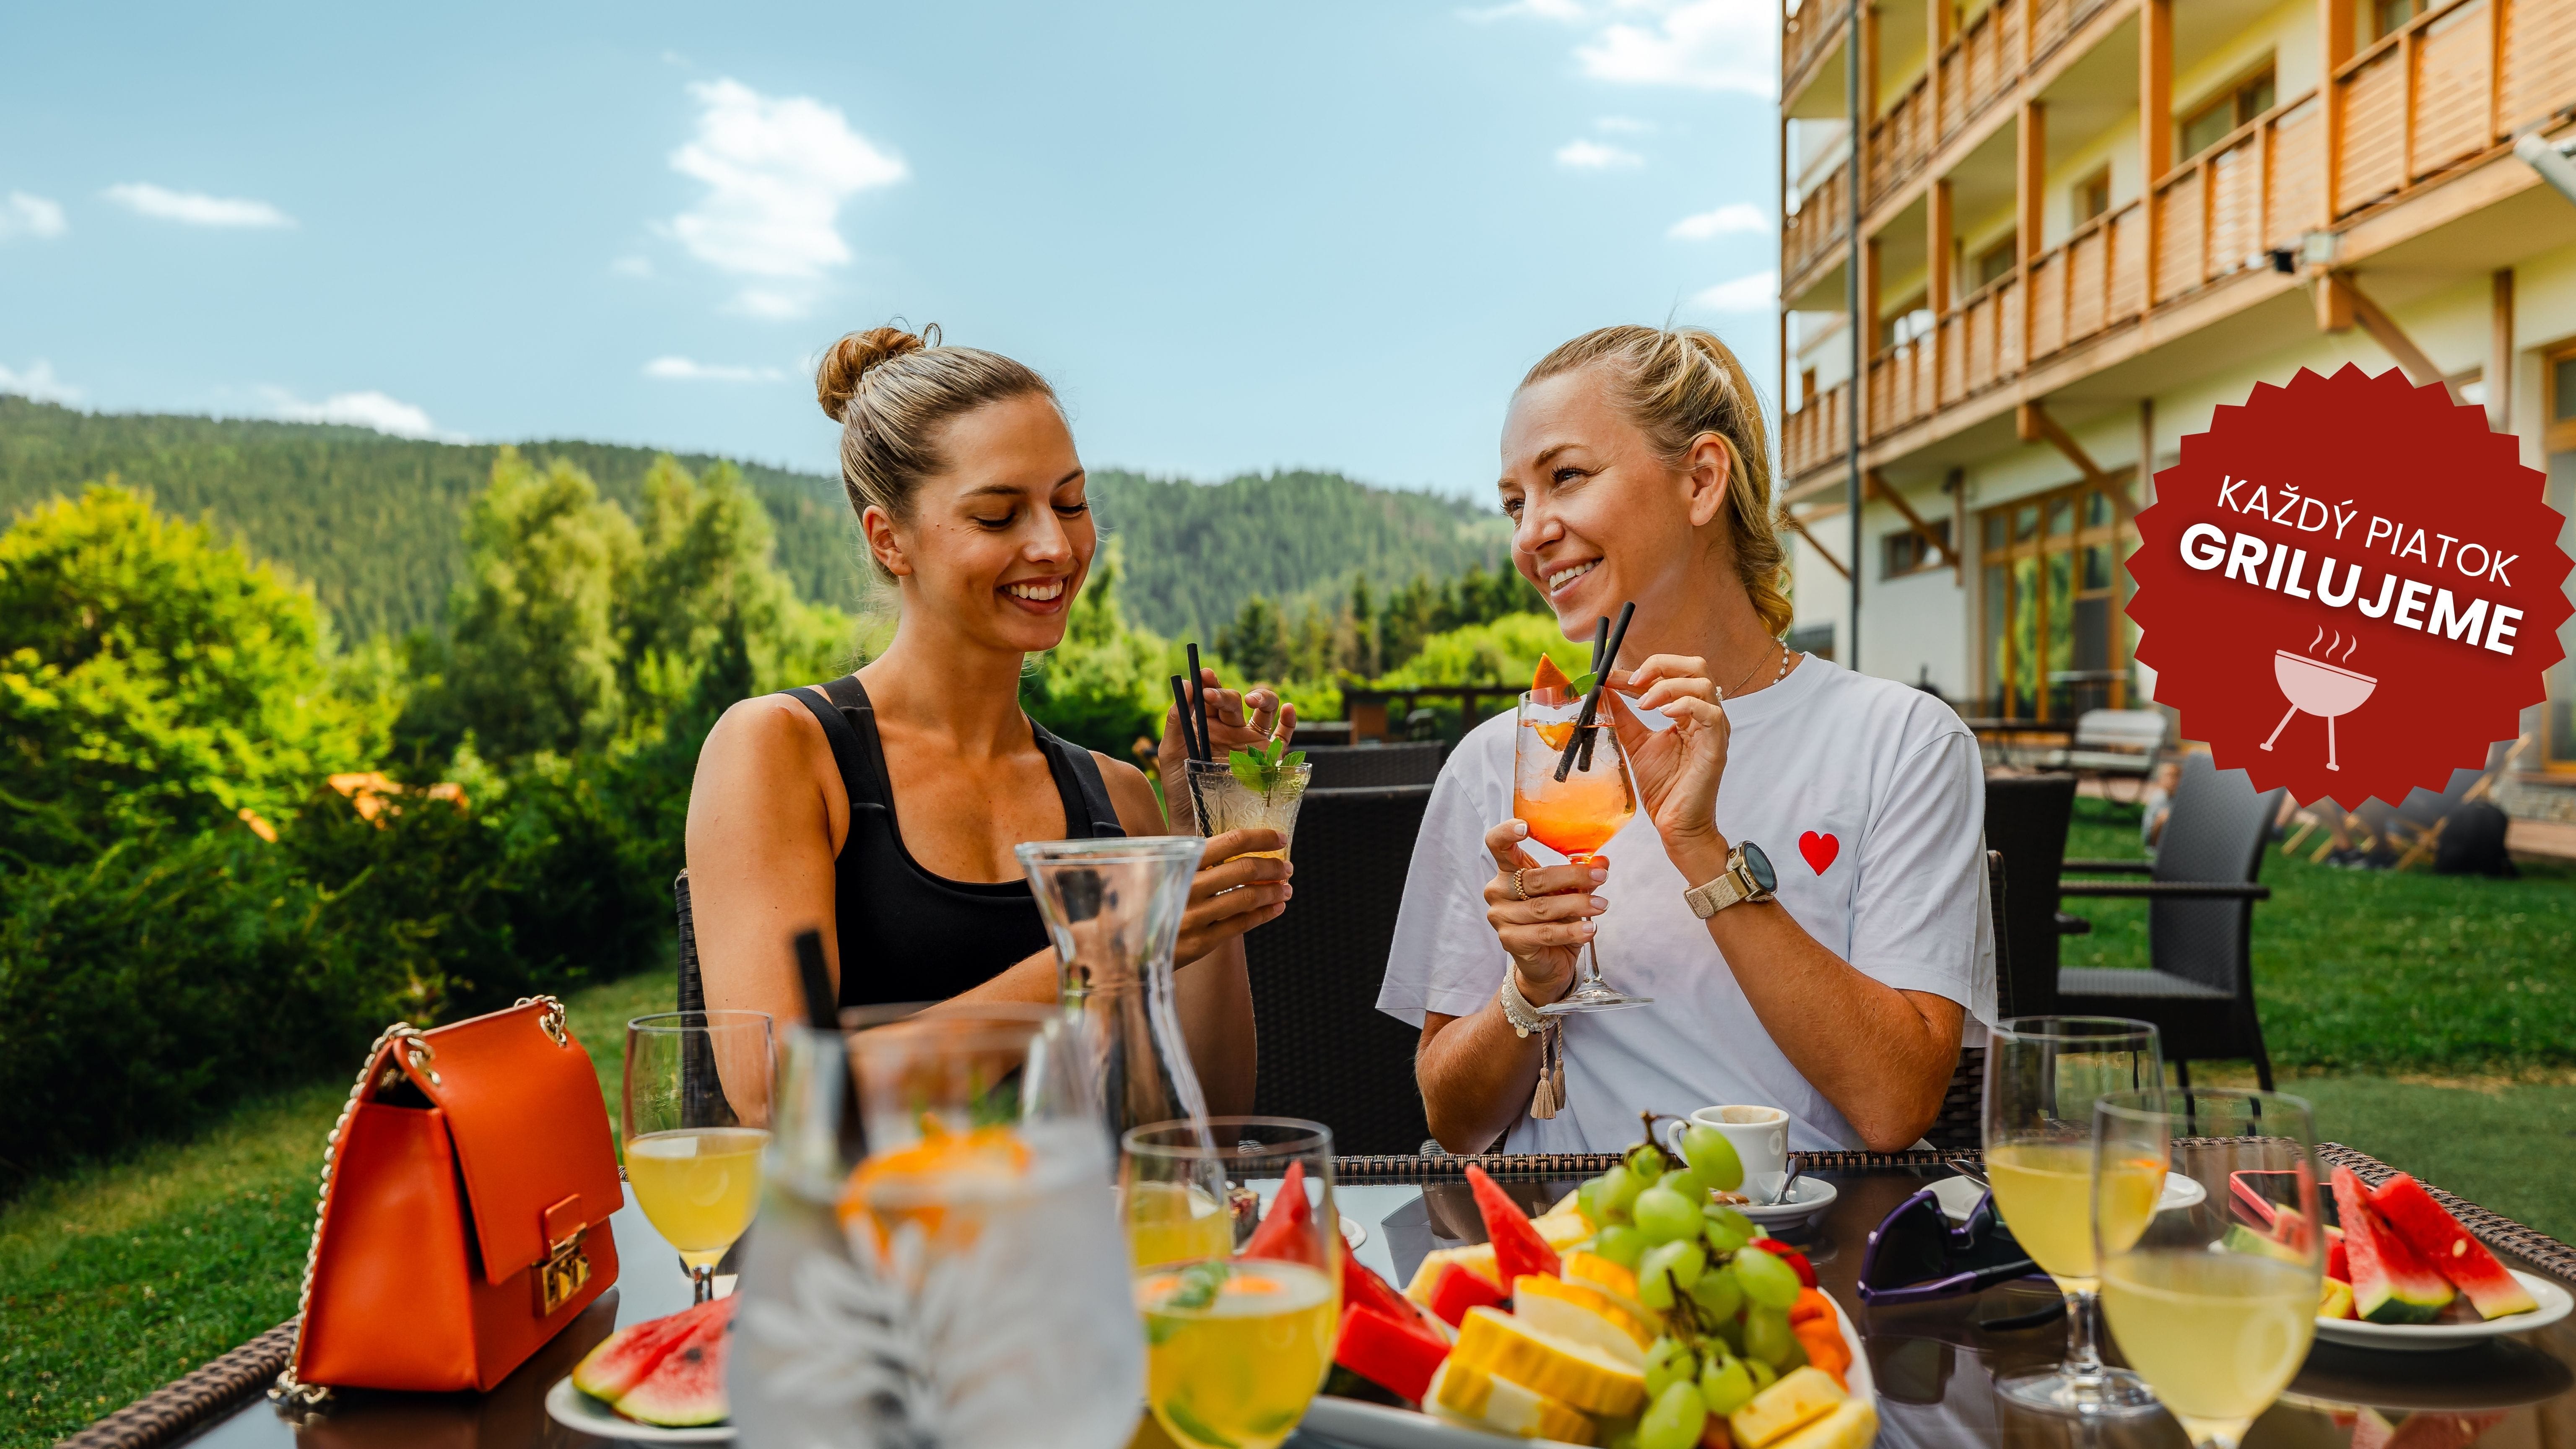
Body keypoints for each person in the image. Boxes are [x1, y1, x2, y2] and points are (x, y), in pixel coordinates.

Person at [1379, 324, 1992, 1155]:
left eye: (1566, 477)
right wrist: (1532, 988)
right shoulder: (1502, 760)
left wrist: (1702, 850)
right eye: (1517, 503)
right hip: (1570, 1253)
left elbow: (1895, 1105)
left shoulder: (1903, 742)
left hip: (1809, 1248)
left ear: (1701, 481)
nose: (1530, 533)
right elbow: (1454, 1124)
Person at [686, 325, 1293, 1113]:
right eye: (999, 517)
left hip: (1090, 1230)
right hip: (875, 1235)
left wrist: (1193, 831)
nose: (1056, 545)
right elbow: (780, 1097)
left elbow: (1210, 1113)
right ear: (889, 539)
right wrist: (1102, 955)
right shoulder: (780, 750)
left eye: (1070, 503)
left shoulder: (1118, 798)